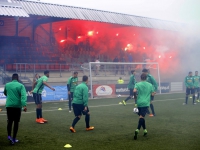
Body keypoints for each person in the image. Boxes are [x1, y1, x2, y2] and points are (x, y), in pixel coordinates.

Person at [4, 73, 27, 145]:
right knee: (16, 122)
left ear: (12, 78)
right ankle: (14, 138)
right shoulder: (21, 85)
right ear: (18, 78)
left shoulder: (7, 85)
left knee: (10, 121)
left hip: (9, 106)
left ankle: (9, 136)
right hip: (17, 106)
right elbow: (23, 96)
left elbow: (5, 93)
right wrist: (24, 105)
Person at [133, 73, 155, 140]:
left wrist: (135, 97)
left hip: (139, 102)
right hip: (145, 103)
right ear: (146, 78)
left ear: (141, 78)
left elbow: (134, 91)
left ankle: (145, 130)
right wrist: (154, 93)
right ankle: (137, 130)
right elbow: (152, 94)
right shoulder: (150, 85)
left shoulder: (138, 84)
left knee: (141, 117)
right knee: (141, 117)